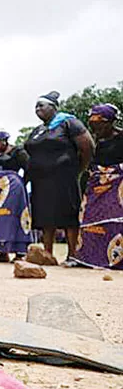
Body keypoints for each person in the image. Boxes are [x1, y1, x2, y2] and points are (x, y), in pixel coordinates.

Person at [25, 91, 94, 266]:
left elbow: (88, 146)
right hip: (41, 180)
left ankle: (72, 255)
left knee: (67, 214)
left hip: (64, 177)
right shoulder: (38, 130)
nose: (37, 108)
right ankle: (47, 254)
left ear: (54, 108)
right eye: (36, 106)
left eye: (42, 105)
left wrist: (78, 169)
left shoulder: (68, 122)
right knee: (45, 215)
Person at [74, 104, 123, 269]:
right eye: (93, 125)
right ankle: (89, 258)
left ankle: (115, 259)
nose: (96, 128)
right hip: (96, 184)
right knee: (89, 217)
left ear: (110, 122)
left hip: (118, 184)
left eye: (100, 125)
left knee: (115, 219)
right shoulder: (97, 140)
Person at [0, 127, 32, 262]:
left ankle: (20, 253)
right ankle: (2, 252)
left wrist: (21, 184)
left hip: (14, 190)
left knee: (15, 217)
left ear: (4, 141)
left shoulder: (18, 151)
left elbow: (29, 167)